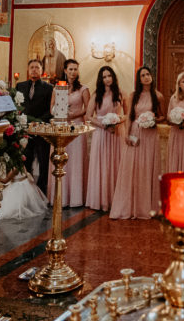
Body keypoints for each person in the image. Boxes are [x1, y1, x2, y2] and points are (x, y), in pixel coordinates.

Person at [110, 66, 165, 219]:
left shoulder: (158, 96)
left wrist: (152, 119)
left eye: (148, 74)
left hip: (150, 134)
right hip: (135, 132)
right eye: (143, 75)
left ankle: (147, 206)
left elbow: (163, 116)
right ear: (139, 79)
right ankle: (130, 205)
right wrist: (127, 135)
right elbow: (129, 117)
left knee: (147, 167)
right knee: (132, 168)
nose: (146, 77)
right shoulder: (133, 95)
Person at [48, 59, 90, 207]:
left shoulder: (83, 89)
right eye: (70, 69)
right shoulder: (58, 88)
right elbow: (51, 108)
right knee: (61, 159)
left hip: (76, 126)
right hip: (61, 126)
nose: (73, 72)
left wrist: (74, 114)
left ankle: (76, 198)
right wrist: (59, 113)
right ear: (65, 70)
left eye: (75, 69)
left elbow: (88, 108)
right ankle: (61, 197)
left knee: (75, 160)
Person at [85, 66, 125, 211]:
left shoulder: (120, 93)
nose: (107, 79)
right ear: (100, 79)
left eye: (109, 76)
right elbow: (88, 117)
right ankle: (101, 200)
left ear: (113, 77)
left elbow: (127, 114)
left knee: (115, 163)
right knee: (102, 165)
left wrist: (118, 121)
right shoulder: (96, 95)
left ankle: (116, 199)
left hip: (116, 134)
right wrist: (104, 125)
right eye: (104, 77)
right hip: (101, 134)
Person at [17, 59, 54, 189]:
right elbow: (18, 106)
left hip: (41, 129)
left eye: (37, 68)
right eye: (32, 67)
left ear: (41, 70)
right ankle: (27, 188)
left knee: (43, 160)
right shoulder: (20, 86)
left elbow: (50, 110)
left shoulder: (49, 88)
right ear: (28, 70)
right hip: (25, 130)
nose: (34, 70)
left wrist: (37, 122)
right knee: (26, 158)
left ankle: (42, 189)